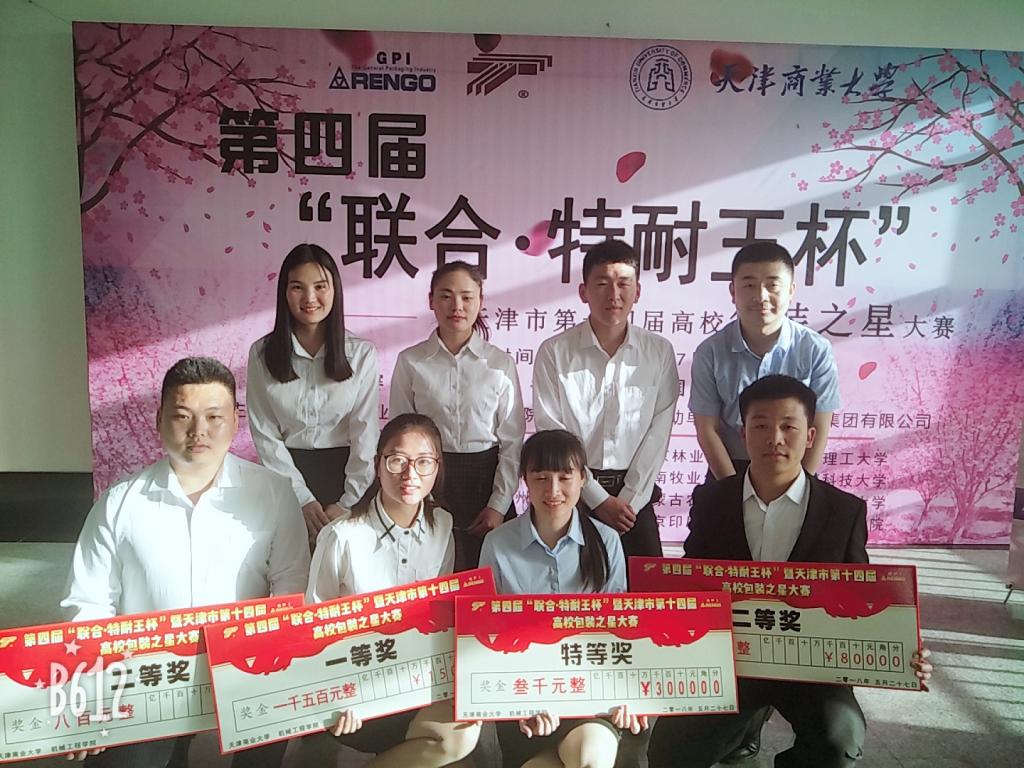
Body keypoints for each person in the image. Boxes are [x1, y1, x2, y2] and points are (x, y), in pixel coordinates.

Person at [647, 375, 933, 768]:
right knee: (669, 750)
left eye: (788, 426)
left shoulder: (843, 511)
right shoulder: (712, 499)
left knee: (838, 740)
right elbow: (693, 578)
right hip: (731, 661)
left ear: (810, 436)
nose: (775, 438)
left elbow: (859, 600)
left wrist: (903, 650)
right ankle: (742, 730)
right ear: (744, 434)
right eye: (761, 426)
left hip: (810, 665)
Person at [62, 357, 309, 767]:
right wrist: (91, 690)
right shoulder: (120, 503)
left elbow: (291, 587)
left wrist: (276, 667)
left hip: (245, 671)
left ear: (235, 421)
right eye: (182, 416)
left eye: (214, 416)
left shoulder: (273, 494)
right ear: (159, 421)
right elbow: (87, 603)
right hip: (145, 680)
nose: (199, 431)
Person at [305, 413, 478, 767]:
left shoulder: (442, 525)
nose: (410, 474)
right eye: (397, 460)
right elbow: (314, 627)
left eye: (423, 462)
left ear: (438, 468)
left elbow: (439, 616)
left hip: (414, 684)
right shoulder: (342, 536)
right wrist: (337, 694)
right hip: (352, 692)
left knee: (465, 731)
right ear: (377, 465)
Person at [480, 429, 645, 768]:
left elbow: (617, 630)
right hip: (525, 702)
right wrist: (518, 703)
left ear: (584, 479)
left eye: (564, 477)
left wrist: (626, 694)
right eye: (540, 477)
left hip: (589, 697)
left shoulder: (608, 540)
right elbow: (486, 634)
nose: (553, 490)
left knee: (590, 757)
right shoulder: (497, 544)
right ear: (524, 480)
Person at [533, 239, 678, 558]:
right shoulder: (555, 352)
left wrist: (628, 501)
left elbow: (659, 431)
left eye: (624, 283)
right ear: (583, 292)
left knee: (645, 586)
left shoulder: (659, 352)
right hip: (570, 495)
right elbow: (551, 430)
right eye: (602, 284)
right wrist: (598, 499)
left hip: (635, 501)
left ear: (637, 291)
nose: (614, 295)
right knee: (570, 586)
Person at [389, 260, 525, 570]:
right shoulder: (411, 362)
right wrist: (417, 498)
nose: (457, 306)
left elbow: (512, 443)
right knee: (431, 573)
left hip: (486, 482)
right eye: (446, 296)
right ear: (431, 301)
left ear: (481, 301)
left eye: (467, 296)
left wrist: (498, 505)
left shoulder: (499, 364)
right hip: (430, 480)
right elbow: (400, 438)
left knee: (489, 576)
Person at [246, 242, 379, 549]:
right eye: (297, 287)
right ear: (284, 292)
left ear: (335, 290)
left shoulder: (361, 354)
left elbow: (365, 433)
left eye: (320, 286)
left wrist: (348, 501)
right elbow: (265, 433)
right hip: (284, 478)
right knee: (289, 568)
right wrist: (301, 498)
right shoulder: (261, 354)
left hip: (348, 479)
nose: (309, 298)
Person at [689, 242, 840, 481]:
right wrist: (732, 489)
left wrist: (801, 488)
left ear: (791, 290)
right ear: (733, 291)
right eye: (749, 285)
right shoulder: (710, 352)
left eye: (773, 285)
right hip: (730, 470)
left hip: (794, 470)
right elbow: (707, 430)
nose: (761, 296)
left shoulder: (815, 349)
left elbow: (820, 427)